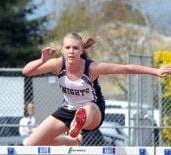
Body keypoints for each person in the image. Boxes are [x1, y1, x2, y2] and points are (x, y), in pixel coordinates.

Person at [22, 32, 171, 146]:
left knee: (87, 107)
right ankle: (72, 141)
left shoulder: (92, 68)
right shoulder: (56, 64)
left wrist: (155, 71)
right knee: (31, 143)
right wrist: (42, 60)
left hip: (93, 112)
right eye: (68, 48)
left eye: (75, 48)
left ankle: (77, 125)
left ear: (81, 50)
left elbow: (126, 68)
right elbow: (27, 72)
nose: (71, 51)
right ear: (62, 50)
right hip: (67, 109)